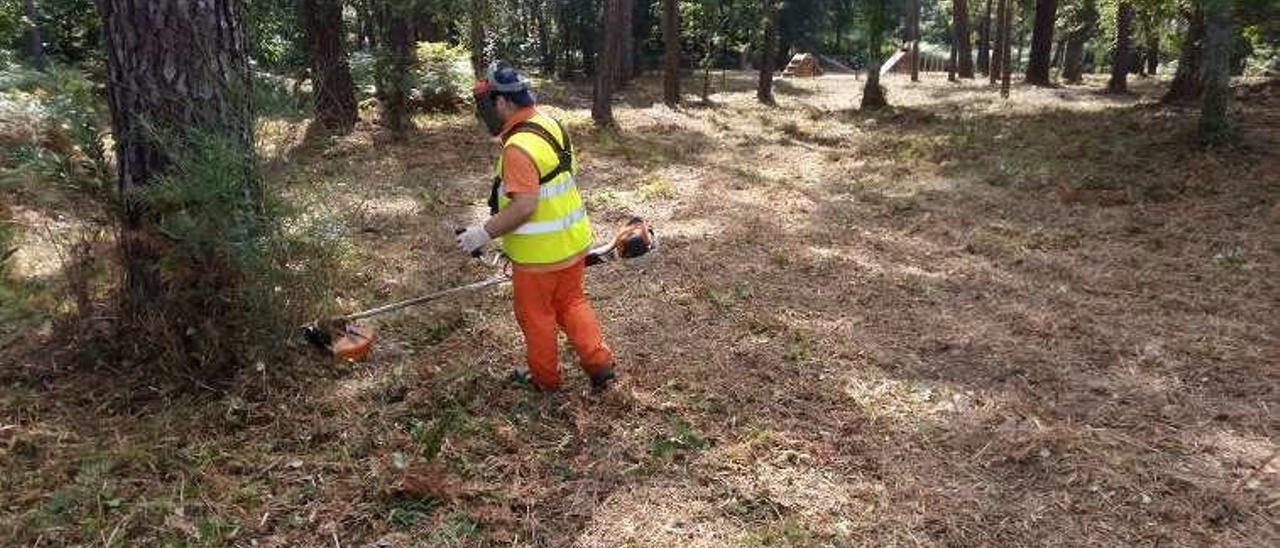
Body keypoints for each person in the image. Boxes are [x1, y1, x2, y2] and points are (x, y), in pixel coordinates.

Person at [455, 63, 616, 392]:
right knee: (572, 303)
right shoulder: (549, 124)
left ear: (502, 103)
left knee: (537, 318)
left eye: (488, 106)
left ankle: (545, 381)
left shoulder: (517, 148)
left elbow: (525, 205)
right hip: (572, 242)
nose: (487, 114)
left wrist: (481, 233)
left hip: (538, 257)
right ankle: (600, 365)